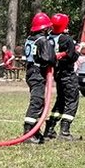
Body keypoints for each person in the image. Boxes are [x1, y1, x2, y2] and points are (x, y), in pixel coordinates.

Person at [43, 13, 81, 141]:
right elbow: (72, 57)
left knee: (61, 101)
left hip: (57, 75)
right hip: (68, 75)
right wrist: (78, 50)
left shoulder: (47, 38)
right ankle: (64, 131)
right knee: (71, 101)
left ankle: (49, 129)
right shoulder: (67, 39)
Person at [22, 13, 57, 144]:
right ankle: (28, 132)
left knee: (40, 102)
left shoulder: (30, 38)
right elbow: (49, 58)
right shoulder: (42, 40)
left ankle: (35, 131)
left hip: (31, 72)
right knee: (37, 101)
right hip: (37, 73)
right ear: (43, 28)